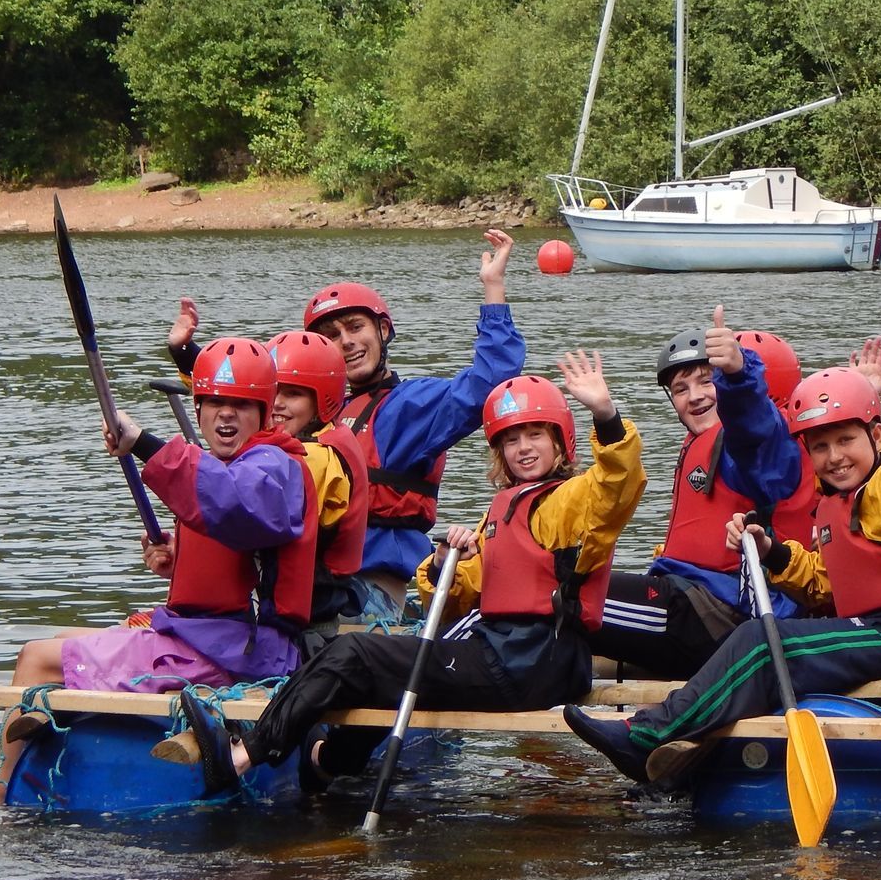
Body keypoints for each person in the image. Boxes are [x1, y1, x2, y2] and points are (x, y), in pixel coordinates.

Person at [180, 352, 646, 791]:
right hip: (507, 656)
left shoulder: (572, 501)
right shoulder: (506, 507)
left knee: (356, 654)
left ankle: (241, 757)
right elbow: (459, 595)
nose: (522, 449)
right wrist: (446, 563)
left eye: (535, 435)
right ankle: (328, 764)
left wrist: (604, 415)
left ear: (560, 440)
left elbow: (616, 487)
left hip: (535, 662)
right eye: (510, 439)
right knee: (372, 664)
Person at [562, 368, 881, 787]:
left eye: (845, 441)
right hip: (878, 633)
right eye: (819, 447)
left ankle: (646, 736)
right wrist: (772, 552)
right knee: (760, 634)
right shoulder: (833, 504)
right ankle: (683, 747)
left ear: (876, 437)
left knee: (765, 639)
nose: (834, 457)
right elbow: (827, 583)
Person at [0, 338, 317, 748]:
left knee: (36, 658)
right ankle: (40, 742)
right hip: (213, 641)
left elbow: (237, 505)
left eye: (241, 403)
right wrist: (177, 559)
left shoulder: (274, 466)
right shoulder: (234, 466)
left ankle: (0, 792)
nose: (226, 414)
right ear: (197, 408)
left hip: (241, 654)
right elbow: (236, 549)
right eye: (214, 402)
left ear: (264, 412)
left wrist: (145, 443)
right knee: (60, 640)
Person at [301, 228, 527, 626]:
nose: (347, 342)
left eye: (356, 327)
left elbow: (492, 381)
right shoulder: (313, 415)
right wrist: (188, 356)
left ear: (382, 331)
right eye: (332, 337)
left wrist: (493, 287)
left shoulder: (411, 406)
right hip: (314, 582)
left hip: (370, 592)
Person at [590, 308, 812, 680]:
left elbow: (755, 432)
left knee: (561, 593)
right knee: (554, 588)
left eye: (706, 382)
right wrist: (605, 415)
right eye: (680, 389)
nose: (694, 397)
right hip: (684, 599)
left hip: (721, 614)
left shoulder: (752, 446)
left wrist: (738, 377)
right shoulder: (696, 442)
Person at [265, 330, 371, 647]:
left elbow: (248, 509)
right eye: (272, 392)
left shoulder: (316, 457)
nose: (277, 404)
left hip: (307, 630)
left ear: (322, 400)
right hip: (306, 619)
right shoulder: (322, 437)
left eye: (293, 394)